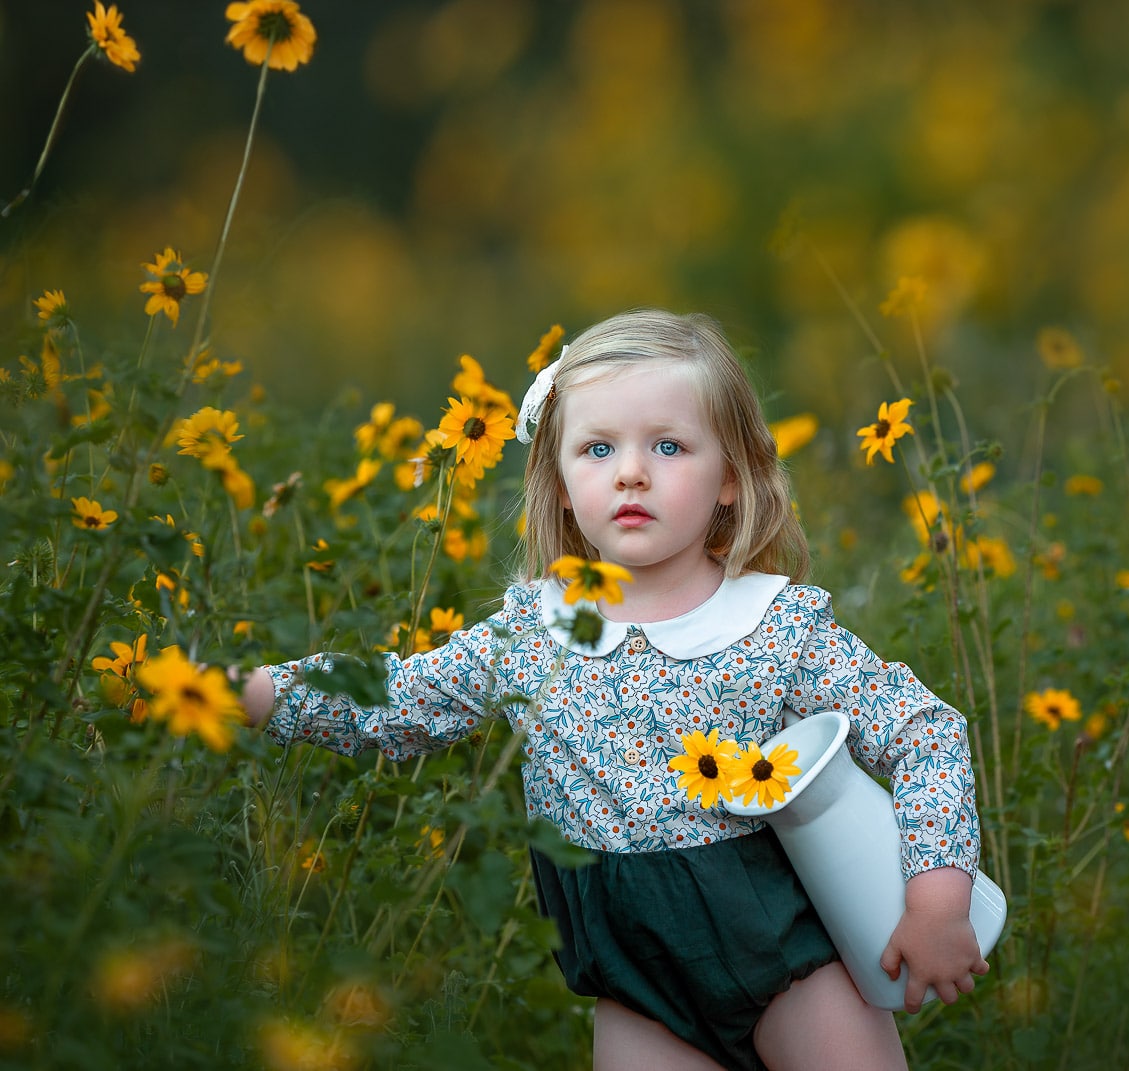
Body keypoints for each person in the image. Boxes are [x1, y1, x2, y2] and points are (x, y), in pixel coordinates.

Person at [237, 308, 988, 1071]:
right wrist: (263, 692)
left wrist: (936, 901)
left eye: (668, 445)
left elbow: (922, 730)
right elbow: (405, 701)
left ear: (730, 477)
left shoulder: (772, 623)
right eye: (598, 448)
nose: (632, 471)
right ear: (560, 483)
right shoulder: (535, 629)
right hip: (636, 988)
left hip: (785, 958)